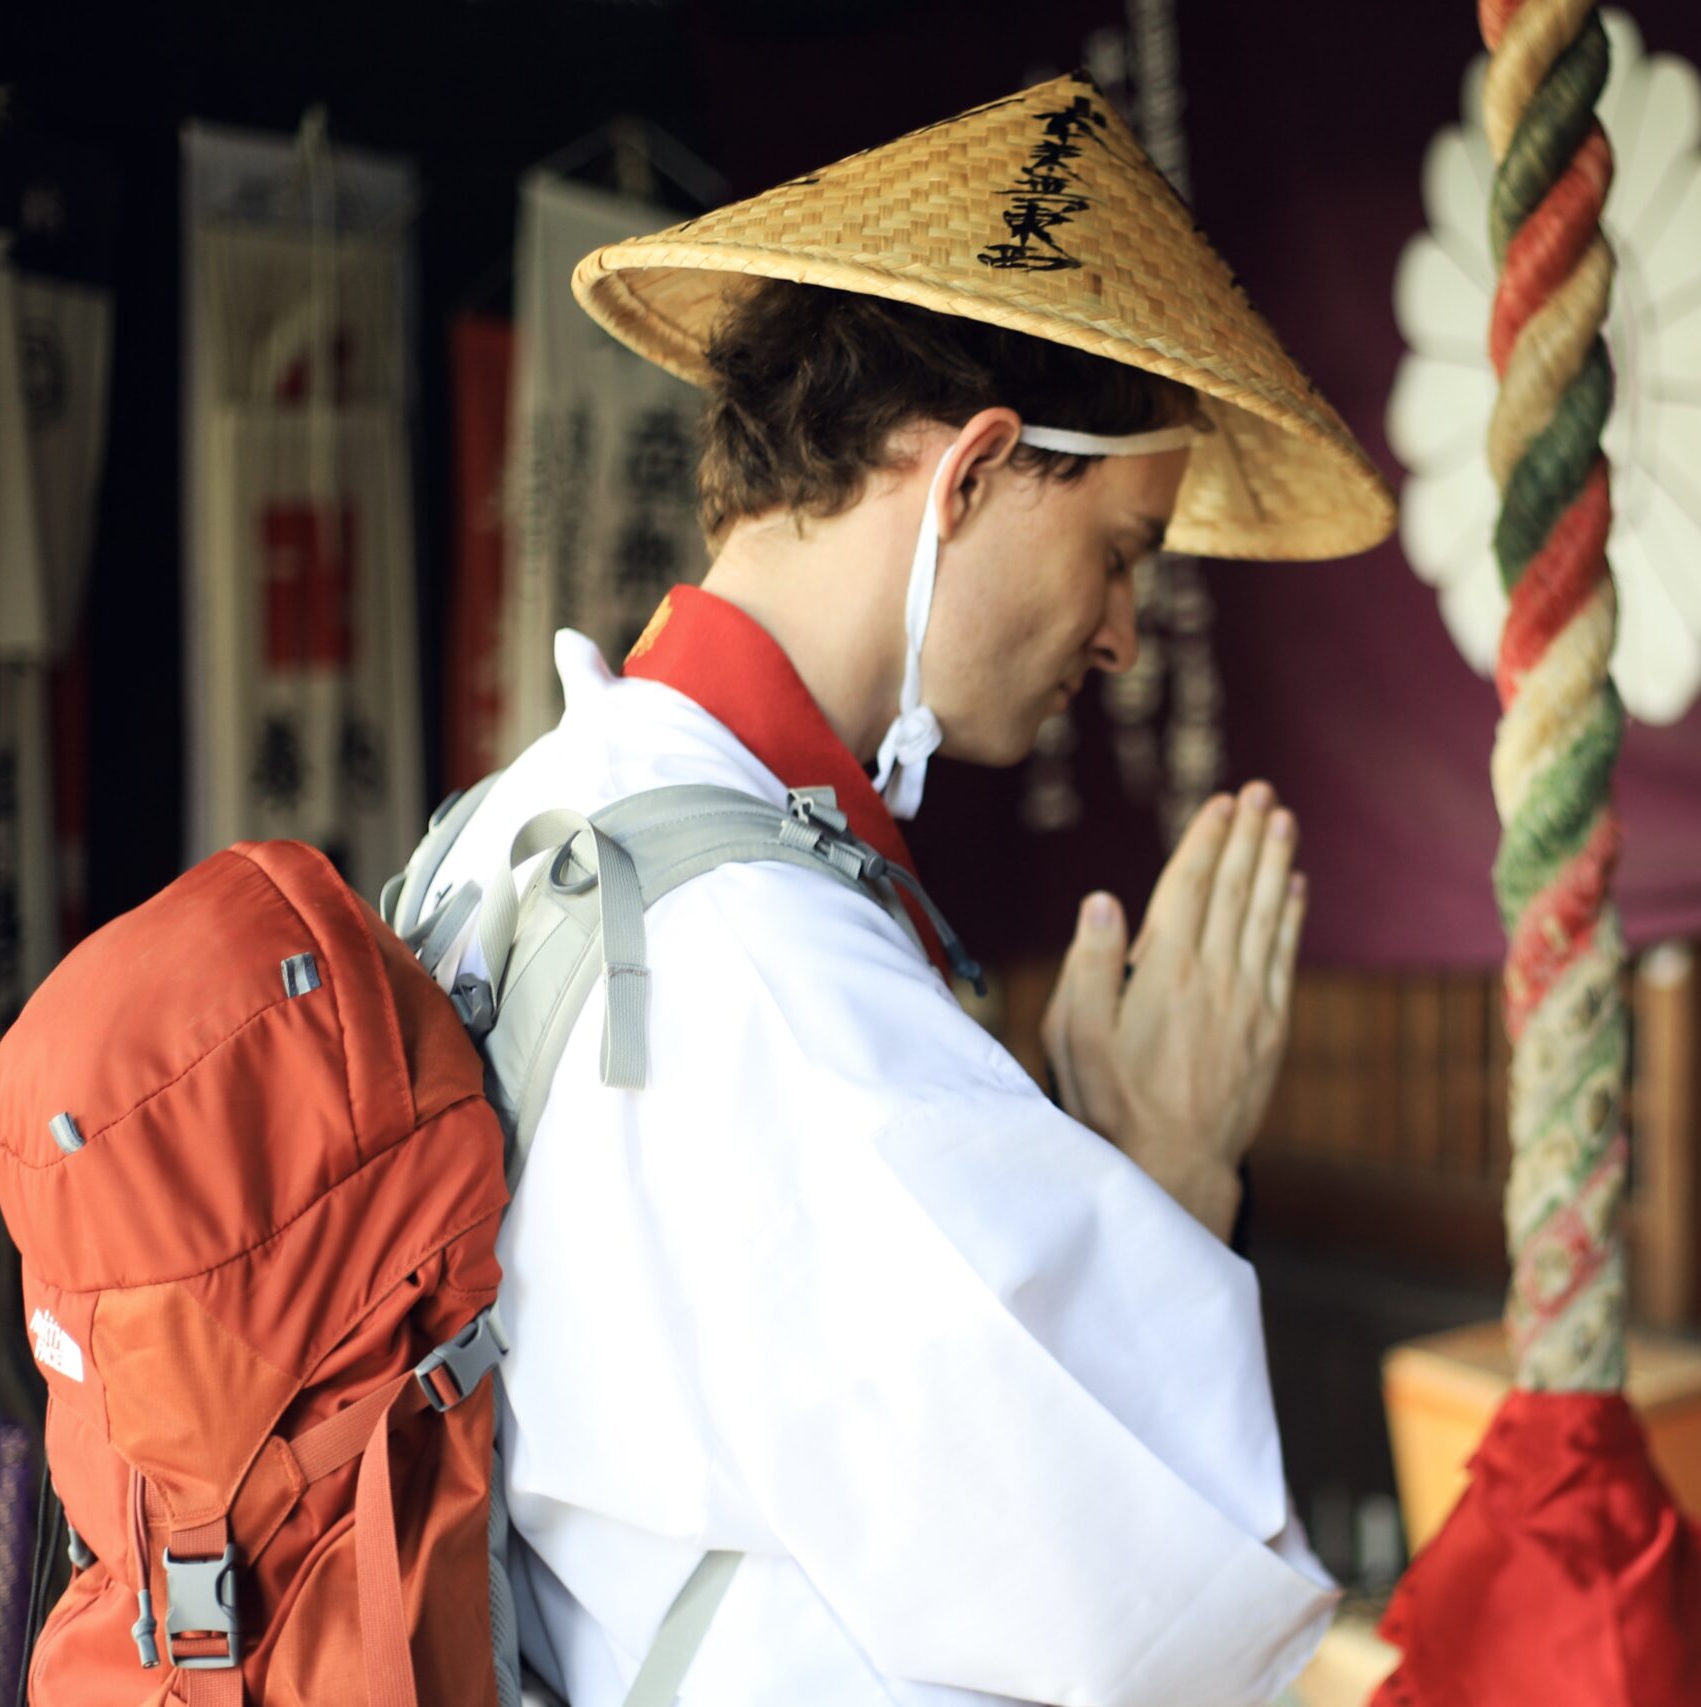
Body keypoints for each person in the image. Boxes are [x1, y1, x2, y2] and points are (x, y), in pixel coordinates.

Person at [428, 72, 1393, 1707]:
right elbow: (1132, 1620)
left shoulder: (514, 821)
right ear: (974, 475)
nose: (1118, 637)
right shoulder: (772, 964)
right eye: (1124, 551)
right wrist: (1170, 1168)